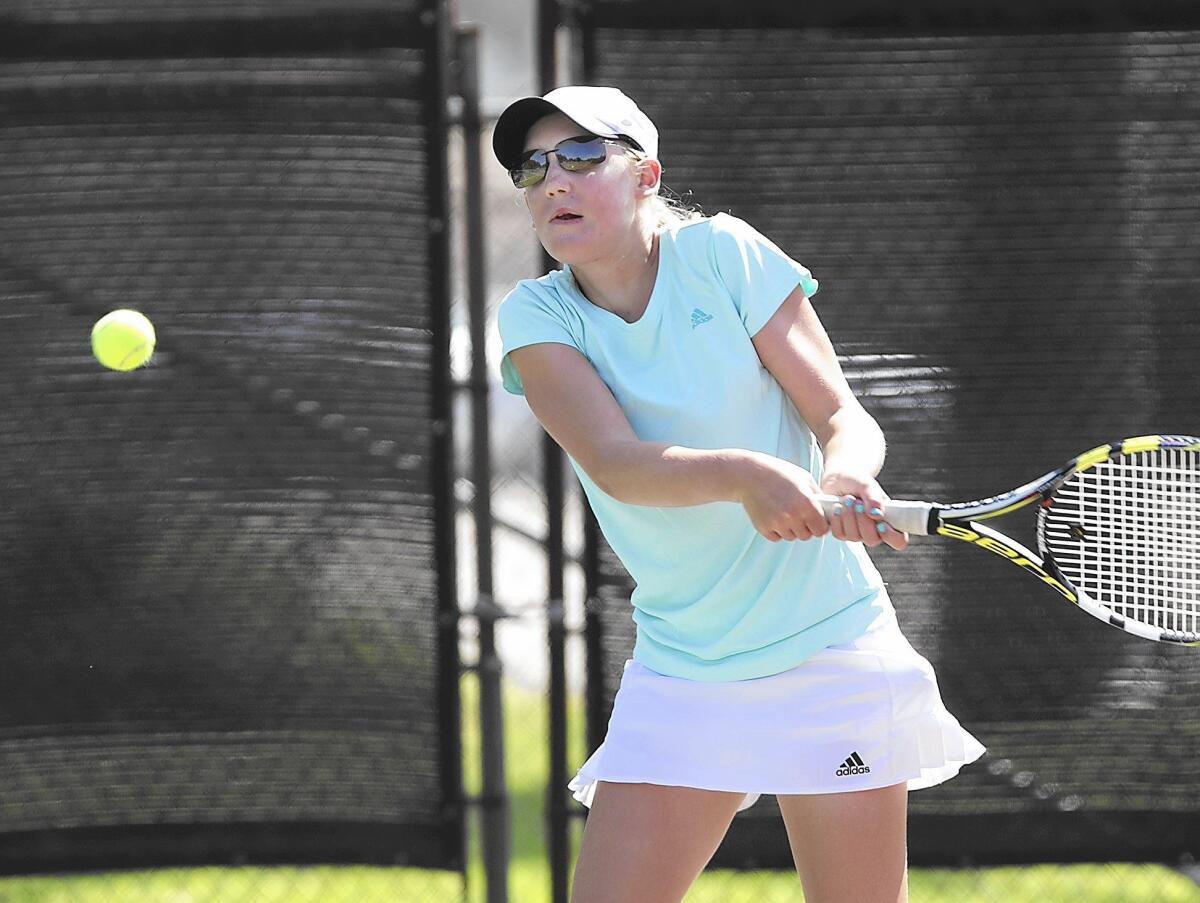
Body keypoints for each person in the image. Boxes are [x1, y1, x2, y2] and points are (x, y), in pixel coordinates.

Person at [492, 85, 985, 903]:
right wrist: (748, 476)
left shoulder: (724, 255)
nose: (554, 181)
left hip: (831, 649)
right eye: (533, 167)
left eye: (582, 156)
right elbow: (618, 463)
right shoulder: (537, 316)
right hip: (684, 669)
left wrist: (846, 476)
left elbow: (840, 416)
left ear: (647, 174)